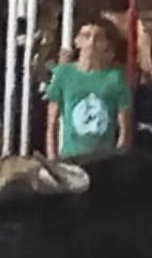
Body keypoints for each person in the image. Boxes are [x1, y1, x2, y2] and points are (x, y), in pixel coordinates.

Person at [45, 22, 131, 160]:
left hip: (103, 162)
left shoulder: (115, 78)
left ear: (105, 44)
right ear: (77, 41)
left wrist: (118, 161)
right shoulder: (63, 74)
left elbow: (124, 128)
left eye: (98, 38)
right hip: (70, 158)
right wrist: (52, 159)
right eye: (86, 36)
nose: (91, 43)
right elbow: (52, 122)